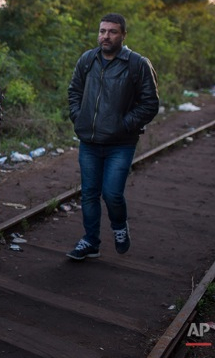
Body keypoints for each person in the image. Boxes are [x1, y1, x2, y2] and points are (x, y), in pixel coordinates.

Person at [66, 13, 159, 260]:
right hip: (89, 141)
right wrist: (79, 117)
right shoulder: (88, 59)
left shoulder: (137, 63)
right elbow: (74, 90)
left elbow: (150, 103)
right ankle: (90, 241)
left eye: (112, 31)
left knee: (112, 193)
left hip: (121, 143)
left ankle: (119, 227)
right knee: (88, 193)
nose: (105, 36)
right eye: (102, 31)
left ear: (123, 35)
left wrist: (123, 125)